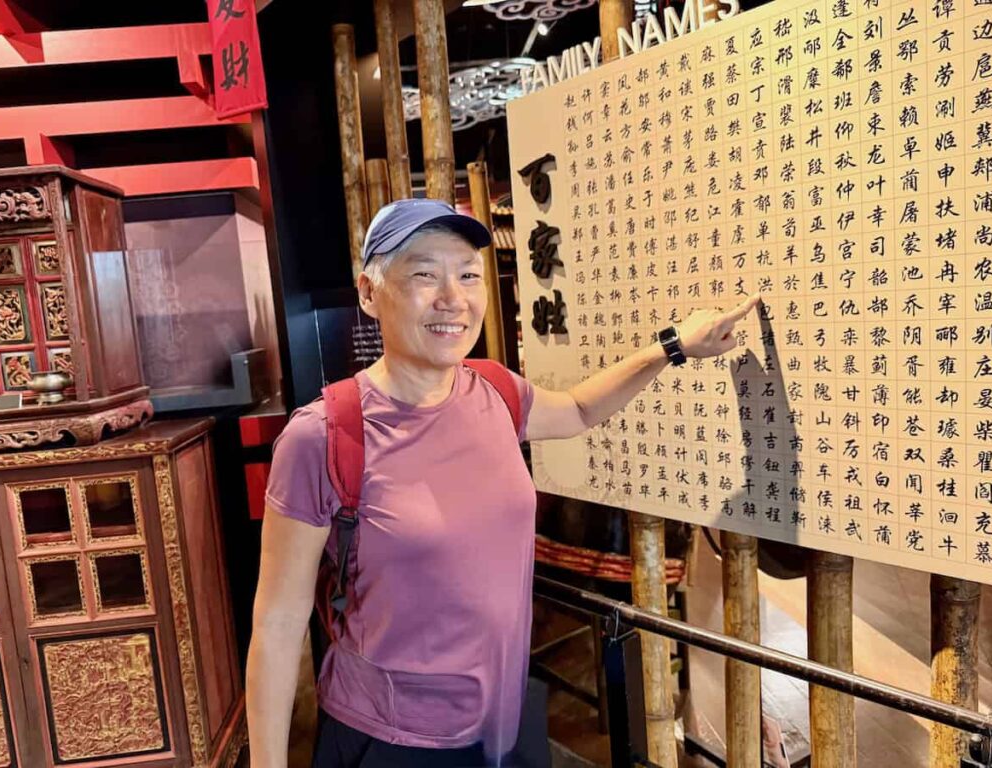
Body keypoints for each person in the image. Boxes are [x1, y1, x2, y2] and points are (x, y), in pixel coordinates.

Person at [246, 198, 760, 768]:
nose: (453, 299)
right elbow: (277, 622)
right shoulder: (323, 436)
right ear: (370, 293)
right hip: (392, 740)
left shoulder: (493, 390)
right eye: (424, 275)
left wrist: (674, 346)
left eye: (467, 275)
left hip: (503, 724)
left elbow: (580, 409)